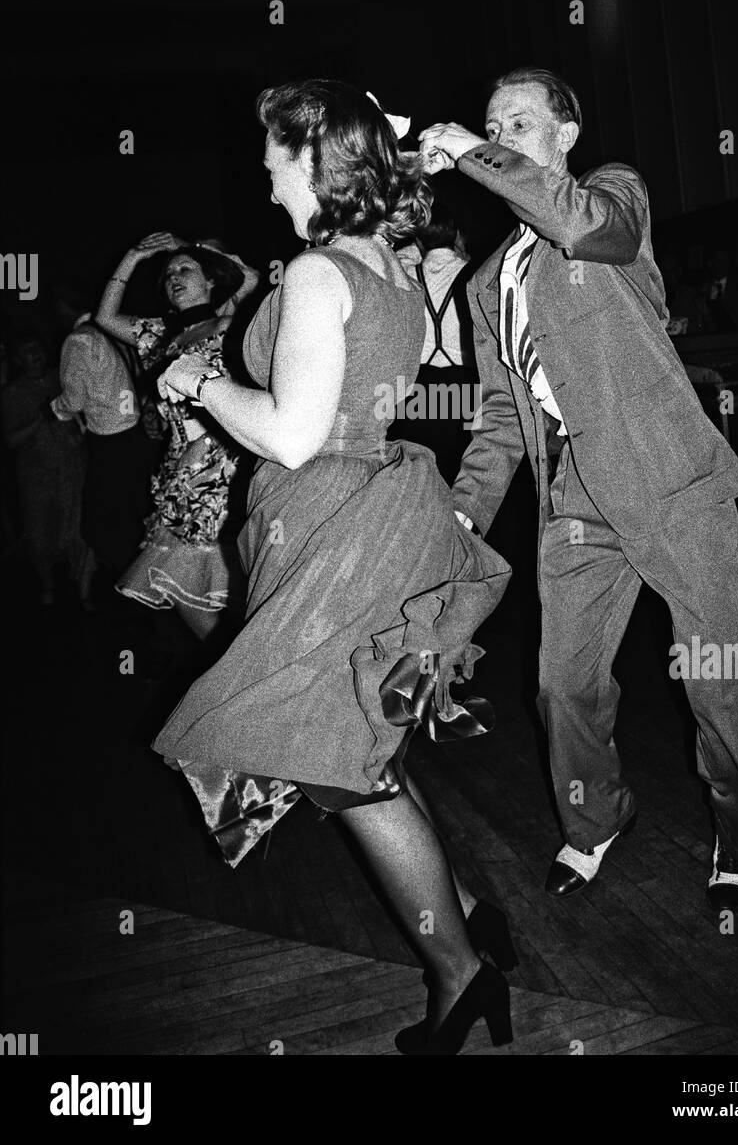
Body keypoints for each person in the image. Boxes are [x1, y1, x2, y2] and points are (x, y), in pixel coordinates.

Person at [152, 80, 513, 1056]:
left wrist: (201, 379)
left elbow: (292, 431)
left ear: (312, 162)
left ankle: (459, 973)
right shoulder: (391, 263)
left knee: (343, 768)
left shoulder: (317, 274)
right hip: (374, 509)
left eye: (273, 160)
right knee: (364, 743)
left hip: (326, 524)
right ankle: (470, 913)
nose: (264, 182)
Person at [420, 65, 738, 914]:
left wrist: (469, 152)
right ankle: (595, 821)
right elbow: (500, 416)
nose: (500, 137)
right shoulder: (484, 282)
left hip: (671, 479)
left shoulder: (613, 201)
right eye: (490, 125)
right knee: (560, 688)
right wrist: (462, 512)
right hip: (570, 497)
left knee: (720, 686)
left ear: (565, 136)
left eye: (519, 125)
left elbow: (585, 228)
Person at [96, 238, 251, 642]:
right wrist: (133, 256)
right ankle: (230, 677)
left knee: (228, 584)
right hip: (177, 467)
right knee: (187, 592)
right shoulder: (158, 333)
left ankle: (244, 676)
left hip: (223, 463)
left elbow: (250, 279)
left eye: (185, 269)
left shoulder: (228, 324)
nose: (173, 278)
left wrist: (203, 249)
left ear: (210, 281)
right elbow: (105, 317)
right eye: (168, 274)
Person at [51, 308, 152, 584]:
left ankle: (126, 585)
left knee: (103, 522)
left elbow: (73, 400)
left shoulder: (78, 340)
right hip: (136, 435)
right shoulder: (117, 333)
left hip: (110, 442)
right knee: (136, 512)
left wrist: (53, 409)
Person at [1, 331, 90, 606]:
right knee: (40, 532)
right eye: (28, 352)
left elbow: (83, 416)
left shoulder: (60, 378)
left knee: (76, 528)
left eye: (38, 349)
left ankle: (82, 588)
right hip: (36, 475)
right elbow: (10, 440)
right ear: (18, 359)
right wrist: (40, 417)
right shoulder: (11, 394)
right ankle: (47, 585)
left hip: (71, 466)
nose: (36, 356)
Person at [394, 209, 478, 483]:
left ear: (418, 240)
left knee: (414, 473)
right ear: (456, 236)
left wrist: (418, 245)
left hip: (415, 386)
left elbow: (392, 259)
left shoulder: (405, 270)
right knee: (456, 470)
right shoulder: (473, 273)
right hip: (462, 386)